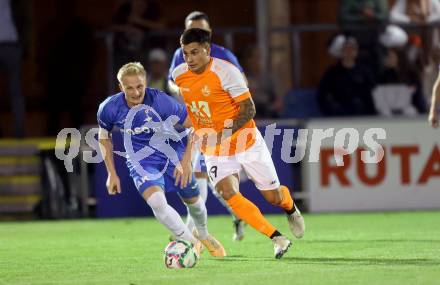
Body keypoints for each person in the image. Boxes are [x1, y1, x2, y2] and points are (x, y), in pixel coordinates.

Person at [172, 28, 305, 259]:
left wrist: (223, 133)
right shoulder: (179, 74)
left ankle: (290, 208)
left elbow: (249, 109)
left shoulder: (226, 72)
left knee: (273, 197)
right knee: (228, 194)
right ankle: (277, 238)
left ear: (207, 49)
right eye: (185, 54)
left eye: (194, 52)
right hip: (214, 149)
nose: (189, 59)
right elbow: (194, 108)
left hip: (246, 141)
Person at [97, 62, 226, 257]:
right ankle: (190, 243)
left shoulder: (161, 101)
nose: (135, 92)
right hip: (142, 162)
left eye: (139, 86)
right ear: (120, 87)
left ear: (146, 82)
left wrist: (187, 160)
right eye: (129, 88)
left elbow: (195, 125)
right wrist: (111, 173)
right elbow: (103, 137)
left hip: (173, 155)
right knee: (156, 202)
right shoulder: (109, 108)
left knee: (195, 203)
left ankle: (203, 234)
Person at [167, 11, 246, 241]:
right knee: (202, 178)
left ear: (209, 33)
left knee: (210, 181)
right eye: (192, 28)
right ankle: (227, 218)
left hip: (220, 126)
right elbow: (171, 83)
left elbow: (242, 83)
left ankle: (188, 233)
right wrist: (180, 91)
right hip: (196, 121)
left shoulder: (223, 55)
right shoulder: (180, 55)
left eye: (202, 29)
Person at [317, 36, 377, 117]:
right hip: (340, 117)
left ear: (357, 51)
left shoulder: (365, 72)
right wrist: (332, 111)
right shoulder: (332, 73)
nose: (349, 51)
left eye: (352, 48)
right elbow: (322, 95)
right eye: (346, 48)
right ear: (341, 51)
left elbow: (372, 94)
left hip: (362, 116)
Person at [0, 0, 26, 137]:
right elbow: (22, 17)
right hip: (12, 43)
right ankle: (19, 132)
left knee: (16, 93)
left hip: (12, 44)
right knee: (16, 93)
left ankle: (18, 131)